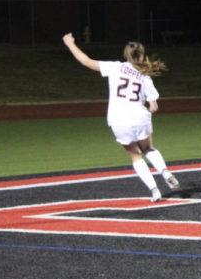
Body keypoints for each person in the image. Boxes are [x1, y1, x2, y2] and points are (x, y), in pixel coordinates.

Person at [62, 33, 178, 201]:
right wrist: (147, 109)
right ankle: (165, 172)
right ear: (142, 55)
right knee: (148, 149)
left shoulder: (115, 67)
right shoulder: (145, 76)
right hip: (139, 116)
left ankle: (154, 191)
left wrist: (70, 44)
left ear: (126, 55)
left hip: (118, 118)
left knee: (135, 155)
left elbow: (86, 61)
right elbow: (154, 106)